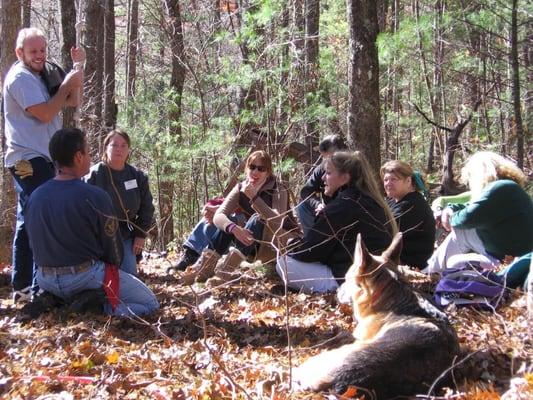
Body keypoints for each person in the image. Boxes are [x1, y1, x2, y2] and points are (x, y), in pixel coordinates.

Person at [25, 128, 159, 316]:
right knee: (150, 303)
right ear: (79, 157)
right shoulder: (95, 195)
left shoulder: (35, 196)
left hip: (44, 278)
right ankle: (96, 308)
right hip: (84, 276)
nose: (90, 157)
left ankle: (58, 301)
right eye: (88, 152)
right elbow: (112, 248)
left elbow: (32, 242)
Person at [3, 27, 85, 302]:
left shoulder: (44, 73)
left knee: (31, 216)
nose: (39, 56)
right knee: (36, 215)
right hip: (26, 159)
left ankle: (32, 284)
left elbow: (74, 100)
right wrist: (64, 86)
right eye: (33, 51)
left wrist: (78, 67)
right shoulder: (20, 79)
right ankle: (28, 285)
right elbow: (47, 112)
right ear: (20, 53)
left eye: (42, 50)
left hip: (46, 157)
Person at [276, 151, 397, 293]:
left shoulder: (341, 206)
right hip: (379, 278)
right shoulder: (371, 200)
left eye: (328, 173)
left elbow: (311, 251)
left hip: (353, 281)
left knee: (283, 263)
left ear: (345, 178)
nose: (322, 178)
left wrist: (291, 244)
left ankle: (334, 291)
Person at [180, 150, 297, 284]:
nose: (255, 172)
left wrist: (254, 197)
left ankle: (225, 273)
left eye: (261, 168)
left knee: (257, 218)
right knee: (231, 221)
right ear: (247, 169)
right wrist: (233, 228)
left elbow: (277, 221)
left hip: (279, 243)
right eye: (252, 167)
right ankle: (205, 269)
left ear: (268, 172)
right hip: (252, 240)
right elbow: (219, 215)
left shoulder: (278, 189)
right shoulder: (241, 187)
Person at [424, 151, 533, 275]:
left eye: (470, 177)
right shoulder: (507, 187)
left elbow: (467, 218)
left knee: (454, 262)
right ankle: (431, 270)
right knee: (463, 232)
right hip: (503, 253)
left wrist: (449, 218)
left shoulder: (499, 188)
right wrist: (450, 209)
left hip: (511, 264)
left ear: (479, 173)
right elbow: (473, 207)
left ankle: (431, 274)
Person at [85, 129, 155, 275]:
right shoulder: (92, 175)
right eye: (114, 145)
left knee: (128, 276)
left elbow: (147, 207)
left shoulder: (137, 176)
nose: (119, 149)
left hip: (124, 234)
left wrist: (140, 235)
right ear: (106, 148)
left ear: (128, 149)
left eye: (123, 145)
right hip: (96, 236)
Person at [380, 160, 435, 269]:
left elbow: (382, 231)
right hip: (394, 260)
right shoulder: (393, 200)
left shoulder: (412, 205)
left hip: (410, 265)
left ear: (408, 181)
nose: (388, 183)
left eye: (394, 179)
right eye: (386, 180)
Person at [297, 134, 348, 235]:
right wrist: (318, 204)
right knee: (303, 207)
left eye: (331, 157)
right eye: (325, 157)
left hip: (345, 215)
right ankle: (311, 242)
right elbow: (305, 191)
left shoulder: (352, 169)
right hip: (325, 212)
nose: (327, 161)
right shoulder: (321, 169)